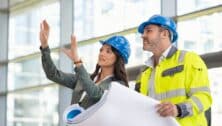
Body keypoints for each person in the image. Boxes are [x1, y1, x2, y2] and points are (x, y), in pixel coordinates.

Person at [135, 15, 212, 126]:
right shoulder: (144, 72)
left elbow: (204, 97)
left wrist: (178, 109)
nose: (143, 36)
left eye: (148, 31)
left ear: (164, 34)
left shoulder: (188, 59)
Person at [39, 20, 131, 109]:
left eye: (108, 51)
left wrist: (77, 62)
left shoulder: (118, 86)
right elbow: (53, 74)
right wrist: (44, 46)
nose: (102, 53)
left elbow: (96, 94)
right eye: (101, 50)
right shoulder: (84, 78)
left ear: (118, 58)